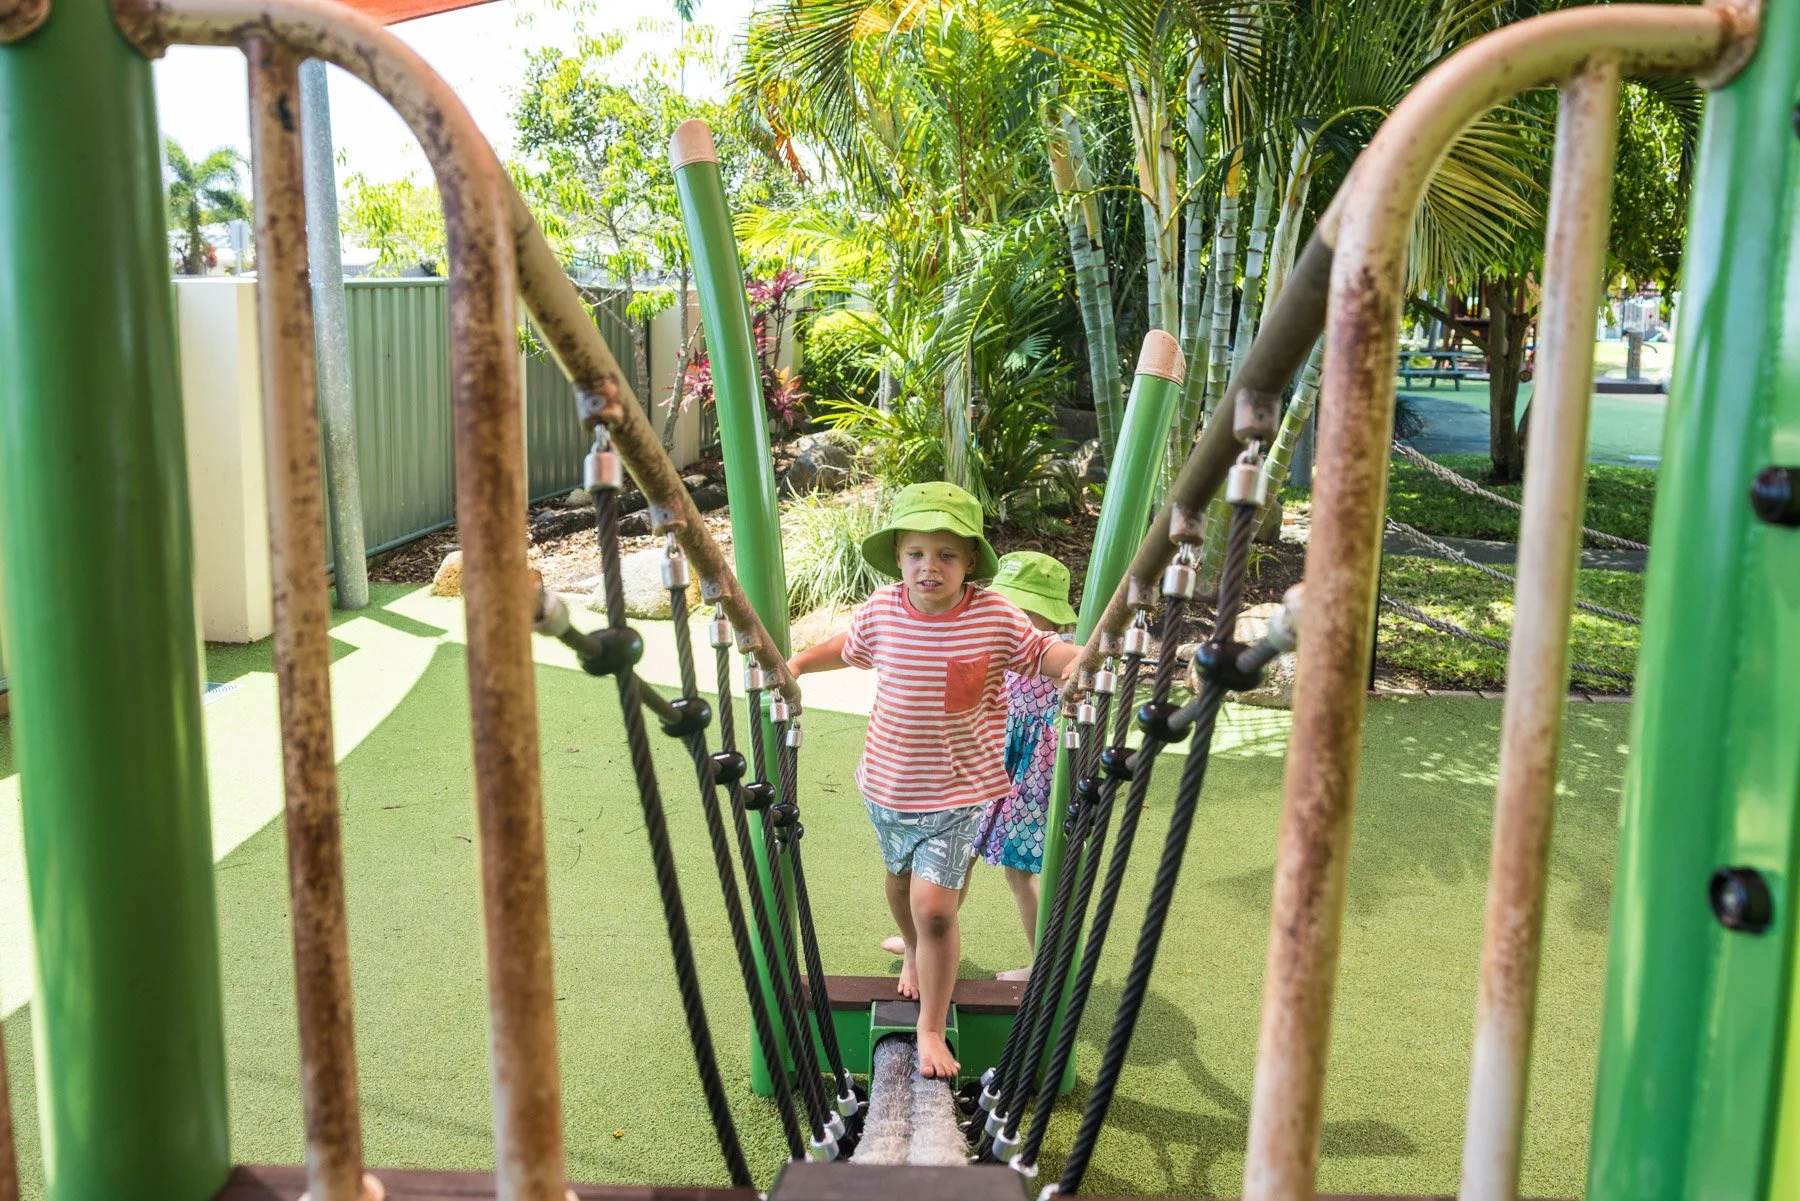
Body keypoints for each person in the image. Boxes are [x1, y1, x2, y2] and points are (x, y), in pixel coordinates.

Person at [786, 483, 1080, 1079]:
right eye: (917, 553)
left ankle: (928, 1028)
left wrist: (1076, 666)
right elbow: (850, 647)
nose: (930, 567)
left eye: (947, 554)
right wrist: (794, 665)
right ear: (898, 556)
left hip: (960, 792)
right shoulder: (883, 609)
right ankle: (916, 951)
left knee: (935, 907)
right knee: (900, 892)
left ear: (970, 561)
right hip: (888, 786)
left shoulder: (994, 615)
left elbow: (1043, 649)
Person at [970, 551, 1078, 982]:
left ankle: (1044, 964)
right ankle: (926, 934)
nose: (1008, 616)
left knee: (1019, 872)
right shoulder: (1007, 643)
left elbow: (1077, 673)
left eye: (1020, 609)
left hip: (1033, 774)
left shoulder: (1057, 653)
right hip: (995, 758)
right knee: (959, 850)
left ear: (1048, 616)